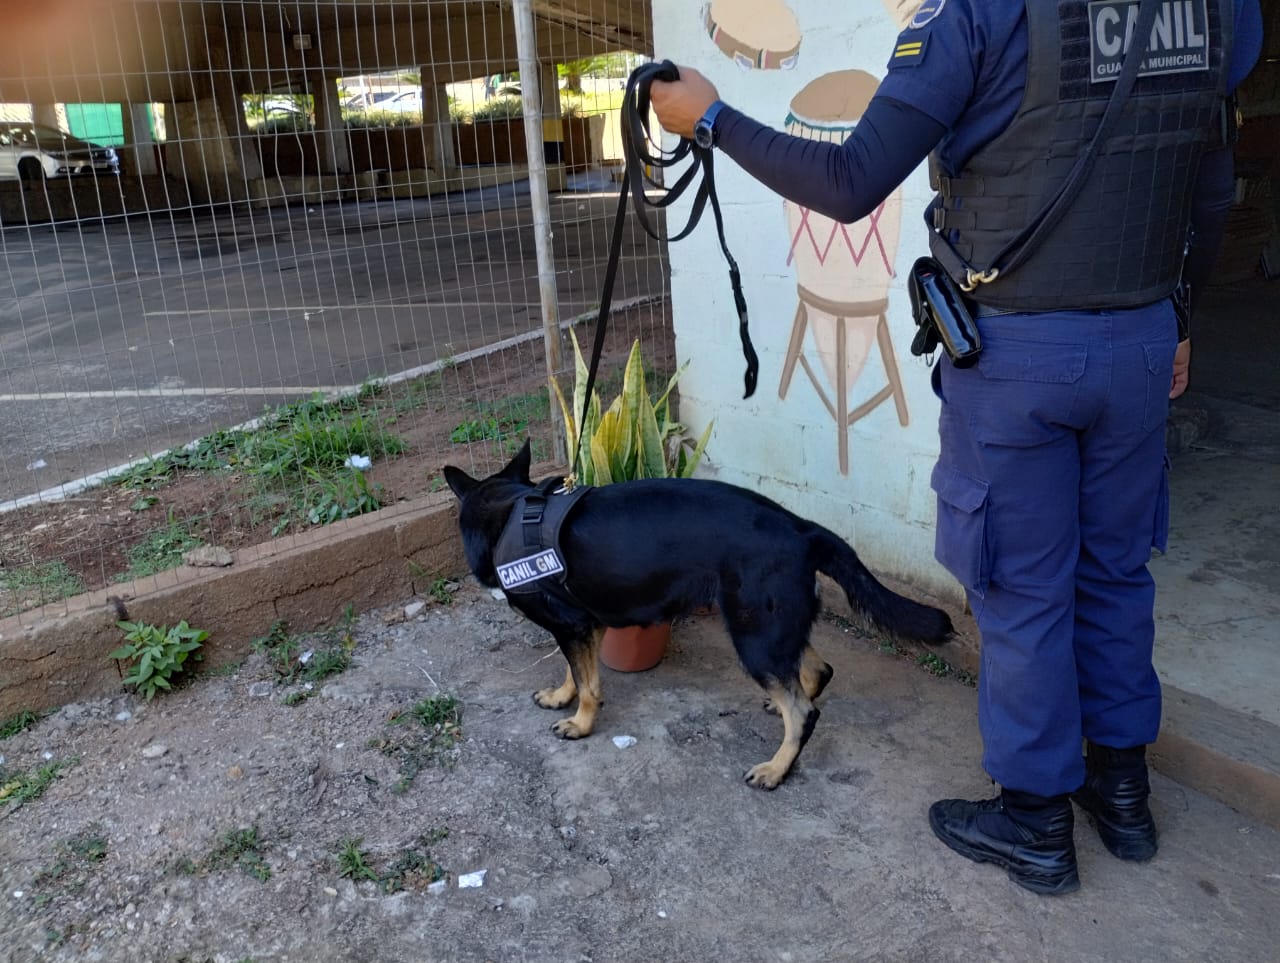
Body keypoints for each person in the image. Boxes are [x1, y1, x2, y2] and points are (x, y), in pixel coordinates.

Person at [651, 0, 1263, 896]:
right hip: (1139, 340)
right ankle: (1122, 794)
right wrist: (1179, 324)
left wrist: (708, 116)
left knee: (1022, 590)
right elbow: (1211, 183)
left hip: (1020, 359)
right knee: (1116, 572)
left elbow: (851, 180)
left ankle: (1035, 821)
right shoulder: (1221, 11)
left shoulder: (979, 13)